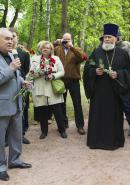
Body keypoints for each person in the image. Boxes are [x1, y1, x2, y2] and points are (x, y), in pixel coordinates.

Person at [83, 23, 130, 150]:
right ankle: (96, 141)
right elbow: (88, 67)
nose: (107, 39)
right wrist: (94, 72)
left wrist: (119, 74)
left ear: (116, 38)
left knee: (113, 117)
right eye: (105, 37)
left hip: (114, 93)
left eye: (110, 37)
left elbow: (129, 72)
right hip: (99, 92)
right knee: (98, 116)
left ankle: (113, 141)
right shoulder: (96, 52)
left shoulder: (123, 53)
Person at [0, 28, 32, 181]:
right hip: (2, 106)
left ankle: (14, 160)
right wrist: (11, 68)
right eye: (6, 39)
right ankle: (0, 167)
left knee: (16, 135)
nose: (10, 41)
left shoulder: (12, 54)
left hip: (16, 103)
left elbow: (16, 76)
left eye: (11, 38)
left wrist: (22, 82)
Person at [29, 41, 67, 139]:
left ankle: (62, 130)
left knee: (58, 110)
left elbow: (62, 71)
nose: (45, 49)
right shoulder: (35, 59)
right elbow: (31, 73)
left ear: (51, 49)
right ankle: (44, 131)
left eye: (47, 47)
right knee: (42, 111)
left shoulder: (56, 58)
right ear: (40, 49)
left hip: (53, 88)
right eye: (43, 47)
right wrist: (39, 72)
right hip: (40, 87)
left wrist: (53, 76)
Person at [54, 33, 87, 135]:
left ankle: (80, 126)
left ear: (71, 40)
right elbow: (46, 51)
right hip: (61, 80)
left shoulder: (76, 49)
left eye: (68, 39)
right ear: (62, 40)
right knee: (61, 103)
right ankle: (64, 123)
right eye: (64, 40)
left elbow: (83, 58)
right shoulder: (57, 49)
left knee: (77, 104)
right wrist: (55, 42)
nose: (66, 42)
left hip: (74, 80)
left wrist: (72, 47)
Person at [9, 27, 31, 144]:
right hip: (7, 87)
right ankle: (8, 136)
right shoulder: (3, 53)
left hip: (22, 85)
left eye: (14, 37)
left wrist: (24, 82)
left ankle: (21, 134)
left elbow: (27, 70)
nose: (11, 39)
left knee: (23, 108)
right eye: (9, 37)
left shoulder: (24, 53)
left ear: (17, 38)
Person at [117, 38, 130, 136]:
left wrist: (119, 73)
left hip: (125, 84)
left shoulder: (127, 53)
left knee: (127, 106)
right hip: (114, 85)